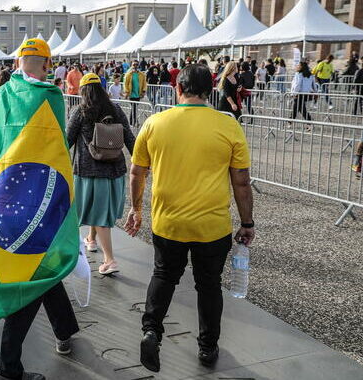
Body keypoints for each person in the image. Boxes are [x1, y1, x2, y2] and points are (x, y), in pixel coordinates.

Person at [0, 37, 79, 380]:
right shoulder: (50, 97)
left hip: (2, 199)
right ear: (46, 64)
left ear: (16, 63)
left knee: (41, 265)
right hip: (38, 203)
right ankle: (7, 367)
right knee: (31, 277)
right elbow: (57, 156)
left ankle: (65, 329)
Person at [124, 63, 255, 373]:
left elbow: (136, 171)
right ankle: (208, 348)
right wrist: (247, 223)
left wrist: (136, 208)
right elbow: (241, 181)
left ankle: (152, 331)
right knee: (209, 285)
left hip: (168, 222)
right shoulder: (228, 125)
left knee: (164, 275)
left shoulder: (155, 123)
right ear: (210, 92)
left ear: (177, 89)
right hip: (212, 226)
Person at [67, 73, 135, 275]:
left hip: (90, 172)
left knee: (99, 215)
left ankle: (110, 260)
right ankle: (91, 239)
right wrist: (141, 164)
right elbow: (130, 138)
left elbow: (67, 140)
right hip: (114, 171)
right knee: (100, 211)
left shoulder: (80, 111)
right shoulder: (115, 109)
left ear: (83, 91)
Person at [124, 61, 147, 126]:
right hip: (131, 94)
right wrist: (127, 92)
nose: (135, 66)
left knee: (134, 108)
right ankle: (133, 121)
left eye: (136, 64)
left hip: (138, 94)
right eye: (134, 65)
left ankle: (132, 121)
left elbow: (144, 83)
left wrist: (143, 91)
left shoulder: (141, 74)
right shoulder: (128, 74)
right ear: (131, 65)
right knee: (133, 107)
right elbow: (125, 84)